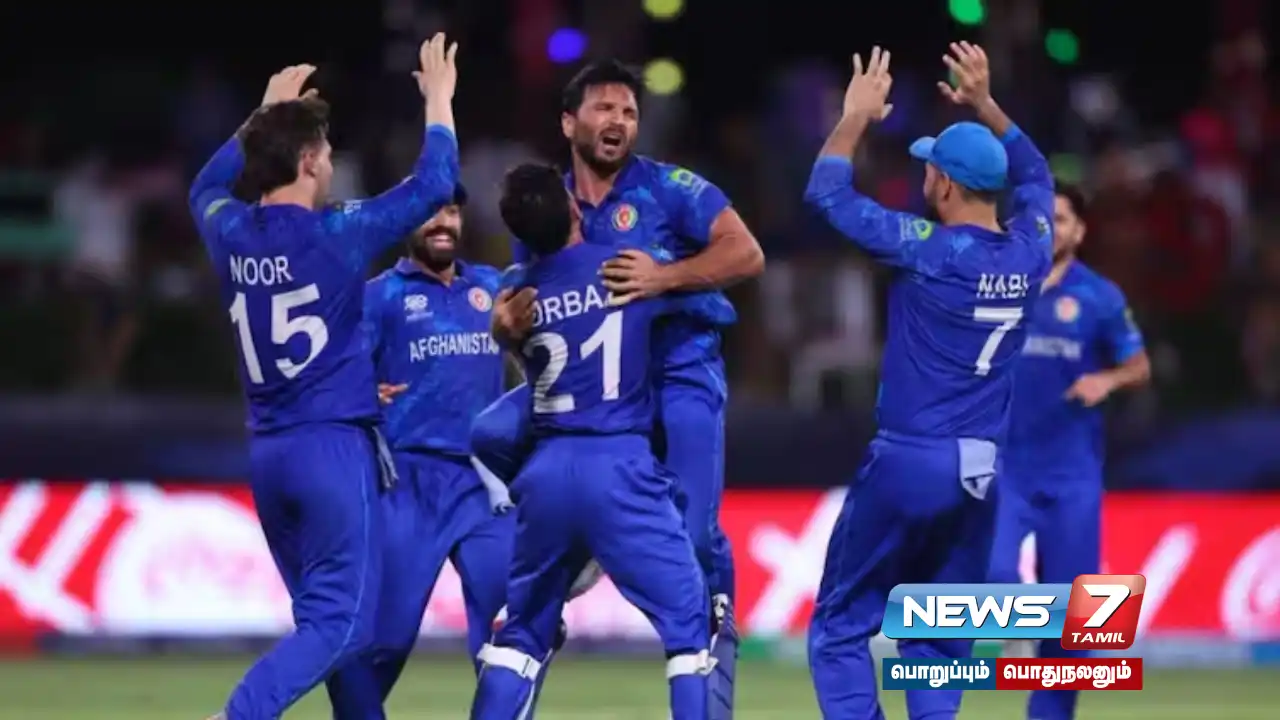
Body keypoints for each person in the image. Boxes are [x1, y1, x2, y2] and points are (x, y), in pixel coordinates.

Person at [188, 34, 461, 720]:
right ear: (309, 160)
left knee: (327, 624)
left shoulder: (230, 230)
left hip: (269, 454)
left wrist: (260, 118)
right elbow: (434, 185)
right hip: (331, 451)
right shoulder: (339, 232)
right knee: (343, 627)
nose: (333, 163)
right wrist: (438, 99)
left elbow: (204, 187)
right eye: (328, 153)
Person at [484, 60, 764, 718]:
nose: (619, 121)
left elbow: (746, 253)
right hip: (595, 394)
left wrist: (664, 277)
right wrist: (502, 330)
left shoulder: (670, 188)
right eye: (605, 109)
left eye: (630, 112)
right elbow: (529, 310)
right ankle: (580, 547)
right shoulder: (549, 206)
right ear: (569, 122)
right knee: (487, 431)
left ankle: (711, 679)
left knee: (696, 544)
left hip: (680, 375)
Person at [803, 43, 1053, 720]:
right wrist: (987, 104)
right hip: (982, 474)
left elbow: (826, 193)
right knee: (938, 635)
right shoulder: (1032, 249)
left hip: (911, 461)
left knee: (839, 628)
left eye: (928, 167)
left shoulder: (927, 248)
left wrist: (854, 118)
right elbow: (1037, 176)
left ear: (943, 183)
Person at [470, 163, 712, 720]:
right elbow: (715, 292)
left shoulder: (514, 293)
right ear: (574, 210)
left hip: (547, 472)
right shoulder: (625, 265)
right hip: (619, 463)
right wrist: (671, 276)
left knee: (521, 635)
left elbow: (512, 347)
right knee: (689, 631)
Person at [326, 187, 518, 718]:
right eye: (430, 212)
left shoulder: (492, 287)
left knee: (511, 630)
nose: (443, 222)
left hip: (484, 486)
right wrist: (360, 392)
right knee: (383, 641)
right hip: (409, 484)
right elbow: (331, 376)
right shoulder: (379, 297)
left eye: (452, 211)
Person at [989, 180, 1150, 720]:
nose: (1048, 228)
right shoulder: (999, 285)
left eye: (1059, 219)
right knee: (993, 573)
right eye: (1040, 218)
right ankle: (1017, 633)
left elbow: (1139, 366)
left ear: (1079, 231)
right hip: (1005, 468)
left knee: (1077, 625)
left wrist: (1107, 380)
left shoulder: (1099, 297)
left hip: (1071, 475)